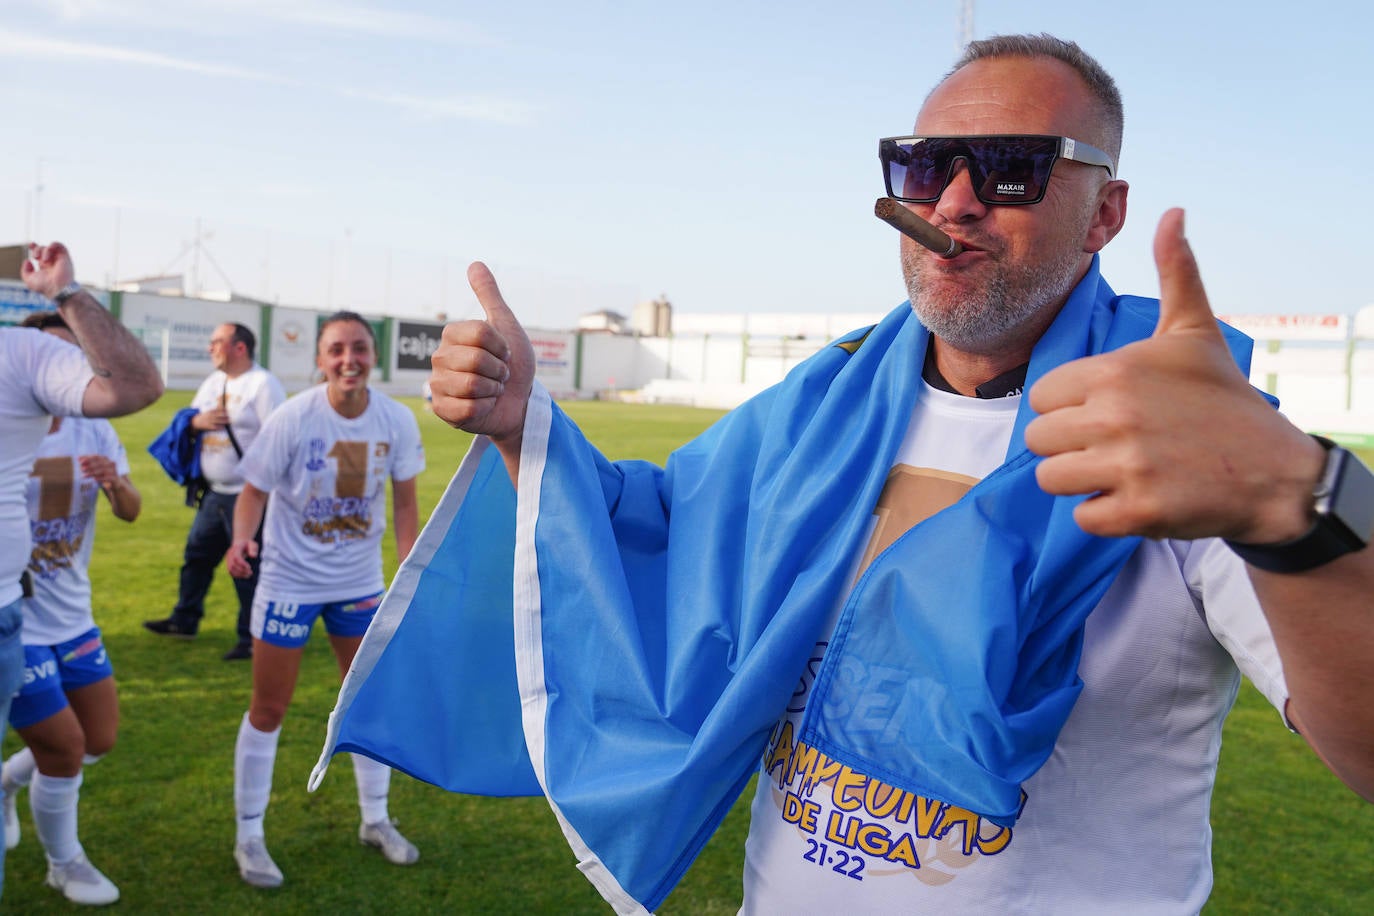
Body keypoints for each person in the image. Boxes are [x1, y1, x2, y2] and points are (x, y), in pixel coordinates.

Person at [325, 33, 1374, 914]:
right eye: (925, 165)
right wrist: (525, 428)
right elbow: (657, 529)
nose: (956, 203)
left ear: (1105, 213)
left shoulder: (1191, 442)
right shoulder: (817, 411)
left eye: (1011, 167)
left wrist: (1296, 502)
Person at [225, 310, 425, 888]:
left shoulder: (395, 420)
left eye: (359, 348)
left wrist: (410, 569)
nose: (348, 360)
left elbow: (406, 505)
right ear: (320, 358)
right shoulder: (292, 418)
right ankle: (249, 834)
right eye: (336, 349)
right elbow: (253, 492)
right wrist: (243, 538)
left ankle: (375, 820)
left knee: (364, 700)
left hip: (359, 585)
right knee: (269, 709)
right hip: (289, 583)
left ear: (373, 355)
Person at [0, 242, 161, 902]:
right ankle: (64, 861)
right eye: (62, 352)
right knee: (64, 748)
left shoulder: (95, 431)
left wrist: (116, 485)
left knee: (99, 739)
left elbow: (129, 511)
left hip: (74, 611)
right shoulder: (21, 419)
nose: (74, 364)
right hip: (22, 617)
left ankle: (7, 784)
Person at [144, 323, 285, 661]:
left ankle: (251, 638)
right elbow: (191, 419)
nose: (210, 348)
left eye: (217, 342)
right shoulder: (213, 382)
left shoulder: (263, 384)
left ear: (240, 348)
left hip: (247, 496)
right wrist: (196, 423)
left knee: (247, 569)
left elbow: (278, 439)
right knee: (197, 558)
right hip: (214, 494)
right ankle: (185, 620)